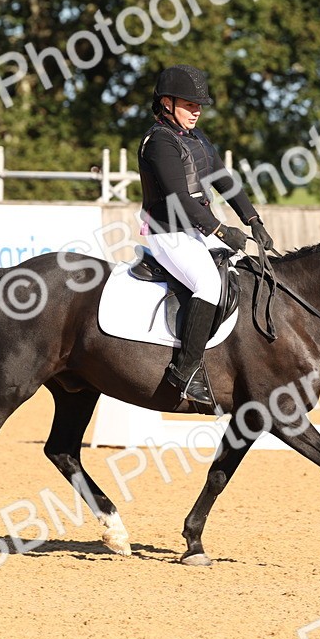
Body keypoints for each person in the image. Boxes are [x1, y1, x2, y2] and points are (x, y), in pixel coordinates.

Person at [137, 64, 274, 409]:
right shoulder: (159, 143)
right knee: (208, 285)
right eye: (189, 104)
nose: (196, 111)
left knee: (245, 273)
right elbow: (179, 200)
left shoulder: (197, 140)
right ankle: (185, 372)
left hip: (196, 230)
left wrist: (252, 218)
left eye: (199, 105)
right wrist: (222, 230)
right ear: (166, 103)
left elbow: (224, 179)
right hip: (169, 232)